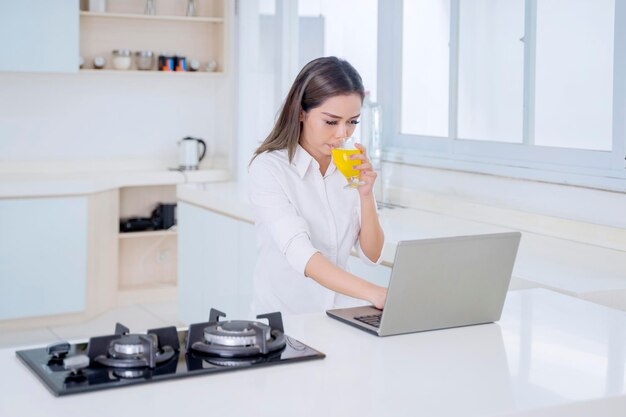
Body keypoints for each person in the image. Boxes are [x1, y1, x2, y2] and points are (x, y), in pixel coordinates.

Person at [248, 56, 387, 315]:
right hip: (286, 319)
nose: (342, 134)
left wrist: (366, 195)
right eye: (331, 122)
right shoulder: (268, 169)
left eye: (352, 122)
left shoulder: (348, 166)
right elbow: (300, 253)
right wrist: (374, 292)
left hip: (339, 313)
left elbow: (372, 255)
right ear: (301, 112)